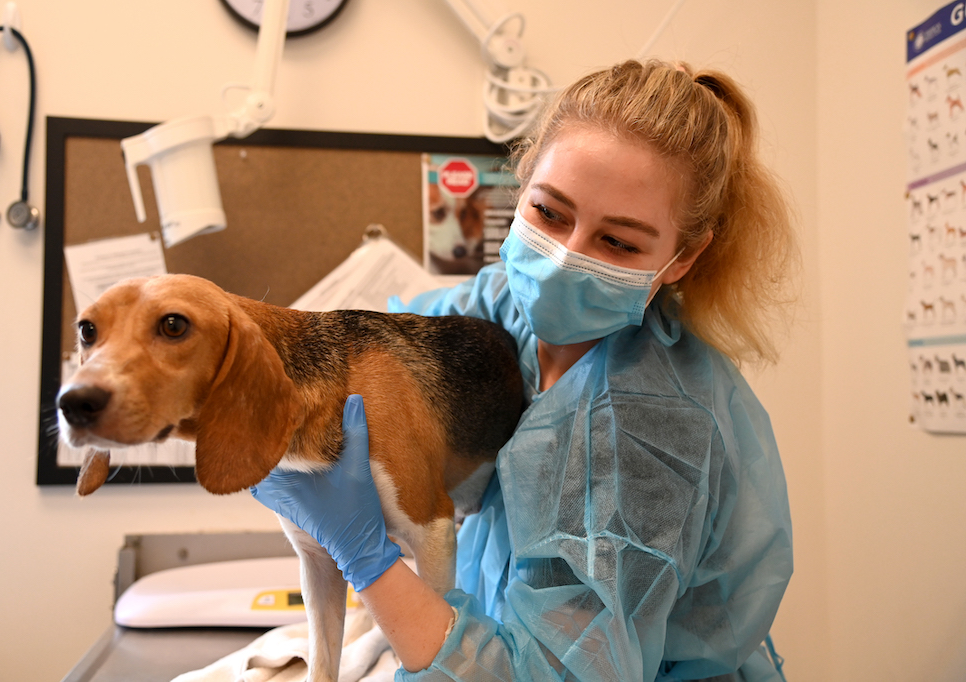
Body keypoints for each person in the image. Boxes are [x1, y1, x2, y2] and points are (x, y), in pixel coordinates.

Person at [252, 58, 797, 681]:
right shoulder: (499, 307)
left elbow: (553, 673)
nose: (564, 258)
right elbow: (386, 358)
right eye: (549, 212)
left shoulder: (650, 431)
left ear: (682, 257)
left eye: (618, 242)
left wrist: (367, 560)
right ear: (521, 185)